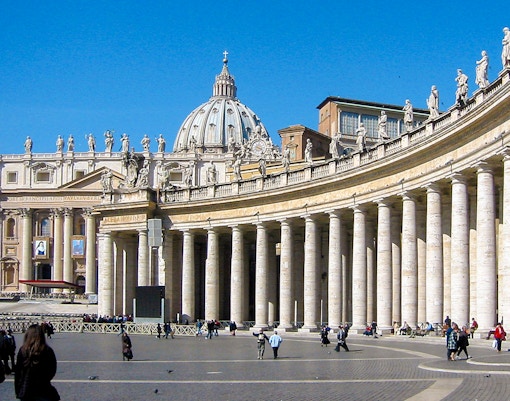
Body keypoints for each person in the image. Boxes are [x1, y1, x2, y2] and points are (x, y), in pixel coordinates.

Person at [14, 324, 60, 401]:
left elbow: (18, 373)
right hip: (44, 390)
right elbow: (52, 371)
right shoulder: (48, 350)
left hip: (27, 391)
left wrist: (18, 391)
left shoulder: (23, 351)